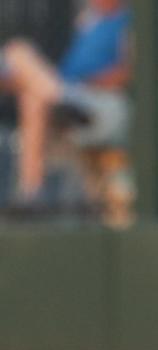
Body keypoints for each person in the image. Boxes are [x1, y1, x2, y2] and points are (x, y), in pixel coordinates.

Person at [0, 0, 130, 202]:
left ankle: (55, 94)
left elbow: (127, 73)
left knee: (17, 51)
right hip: (68, 96)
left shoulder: (129, 21)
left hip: (95, 100)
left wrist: (87, 83)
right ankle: (30, 194)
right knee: (31, 93)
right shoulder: (87, 22)